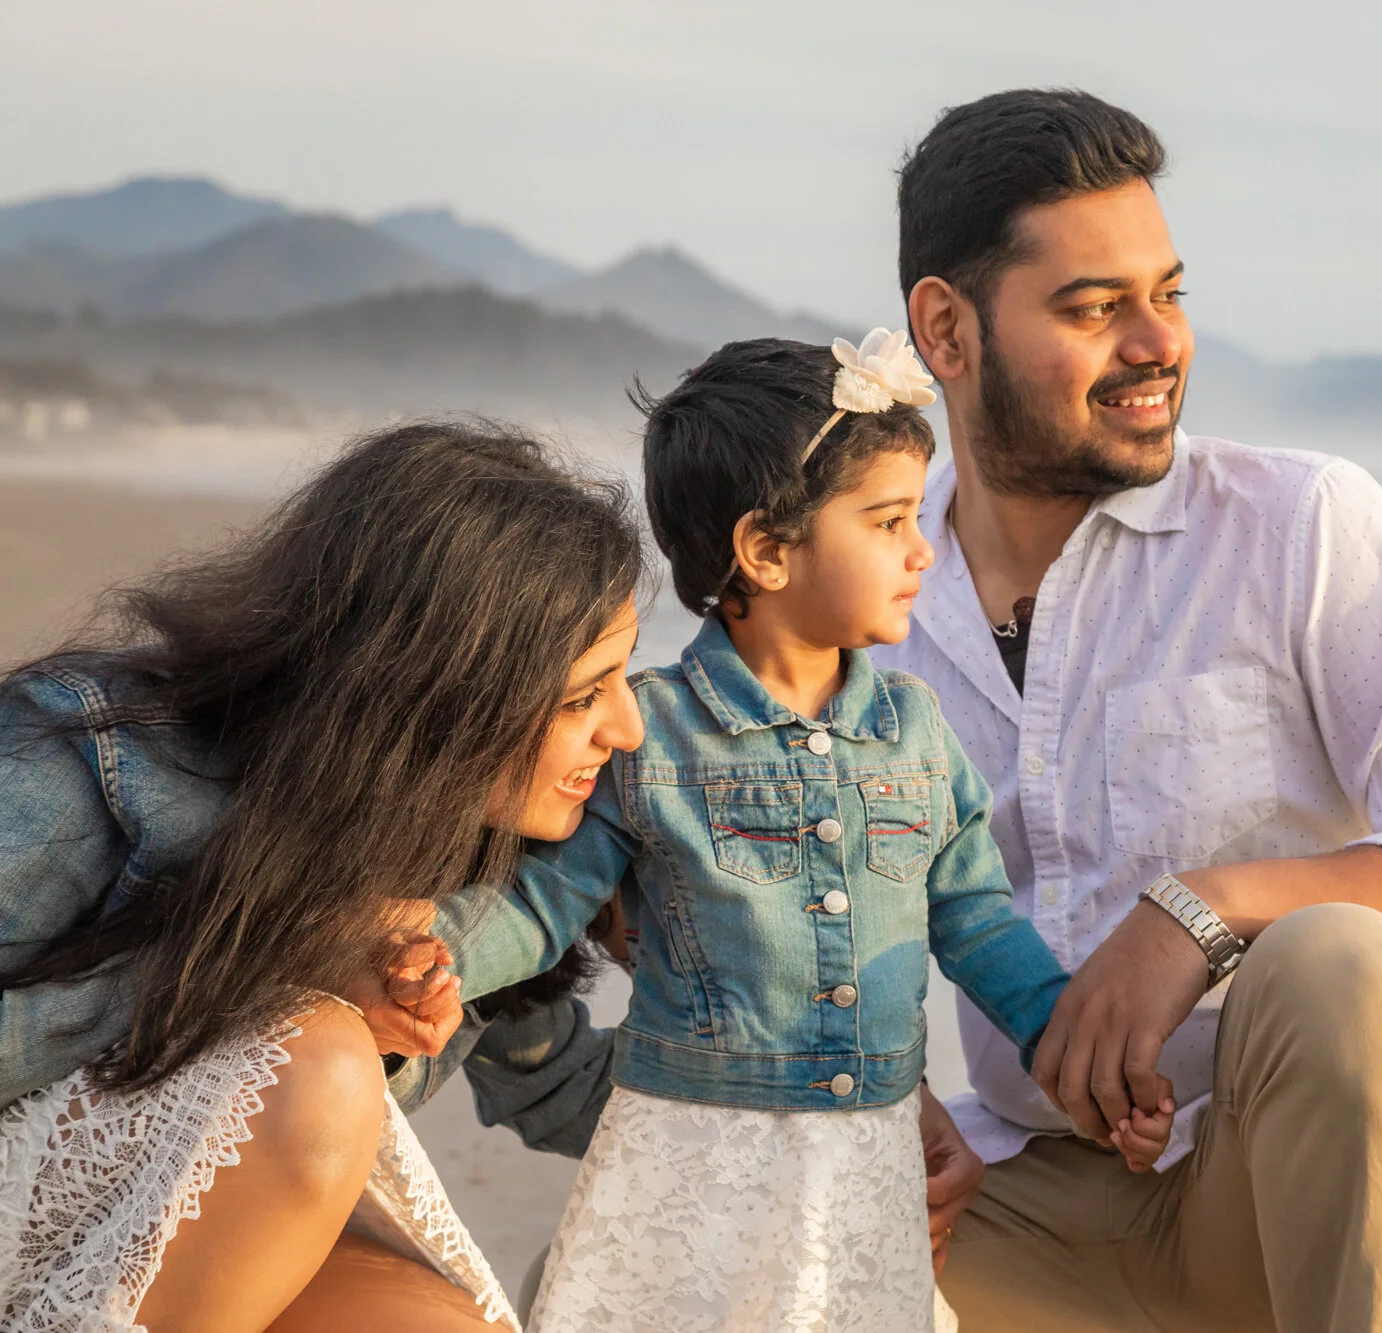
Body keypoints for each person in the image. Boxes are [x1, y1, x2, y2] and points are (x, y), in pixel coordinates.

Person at [870, 89, 1382, 1332]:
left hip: (1281, 1202)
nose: (1157, 343)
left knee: (1338, 955)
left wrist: (1204, 909)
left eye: (1168, 292)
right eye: (1094, 309)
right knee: (689, 1224)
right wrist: (876, 1096)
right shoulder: (870, 591)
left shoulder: (1301, 527)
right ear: (946, 329)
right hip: (1014, 1206)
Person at [427, 334, 1165, 1332]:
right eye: (888, 520)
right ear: (766, 550)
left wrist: (1085, 1064)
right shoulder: (650, 735)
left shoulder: (915, 732)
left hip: (863, 1153)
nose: (922, 549)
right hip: (686, 1151)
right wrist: (427, 958)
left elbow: (978, 927)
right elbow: (544, 907)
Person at [0, 421, 648, 1331]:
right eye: (586, 694)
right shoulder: (90, 758)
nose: (626, 728)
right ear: (445, 692)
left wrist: (830, 1105)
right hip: (29, 1219)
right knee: (323, 1063)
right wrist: (267, 959)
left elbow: (549, 1081)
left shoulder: (462, 835)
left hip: (193, 1232)